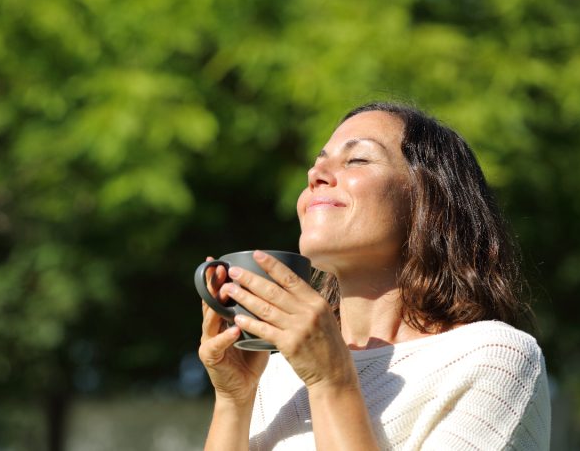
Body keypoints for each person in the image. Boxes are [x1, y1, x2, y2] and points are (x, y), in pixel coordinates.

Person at [198, 102, 551, 450]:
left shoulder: (494, 358)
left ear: (428, 198)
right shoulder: (276, 376)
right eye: (317, 164)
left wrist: (331, 382)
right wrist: (234, 399)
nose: (314, 175)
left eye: (357, 160)